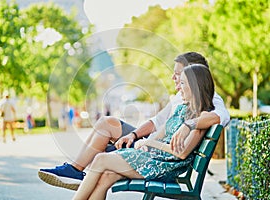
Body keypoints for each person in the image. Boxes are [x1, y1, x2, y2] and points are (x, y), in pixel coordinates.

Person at [38, 52, 230, 190]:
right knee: (106, 125)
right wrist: (133, 135)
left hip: (158, 153)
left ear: (194, 77)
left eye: (179, 75)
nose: (174, 78)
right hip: (153, 144)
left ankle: (79, 171)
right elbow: (156, 123)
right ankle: (77, 169)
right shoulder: (180, 98)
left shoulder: (209, 98)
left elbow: (221, 116)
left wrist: (189, 125)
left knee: (104, 142)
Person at [72, 64, 219, 199]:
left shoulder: (202, 117)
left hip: (164, 167)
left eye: (182, 83)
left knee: (100, 159)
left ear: (195, 86)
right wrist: (145, 144)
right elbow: (161, 132)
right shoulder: (181, 109)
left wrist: (149, 142)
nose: (178, 88)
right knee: (105, 176)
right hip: (152, 159)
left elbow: (182, 153)